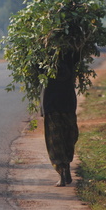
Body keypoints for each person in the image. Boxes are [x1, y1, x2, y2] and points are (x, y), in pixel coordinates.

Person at [40, 51, 79, 187]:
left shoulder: (69, 53)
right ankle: (63, 170)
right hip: (56, 102)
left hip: (61, 102)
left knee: (63, 138)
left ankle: (64, 168)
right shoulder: (43, 53)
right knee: (61, 138)